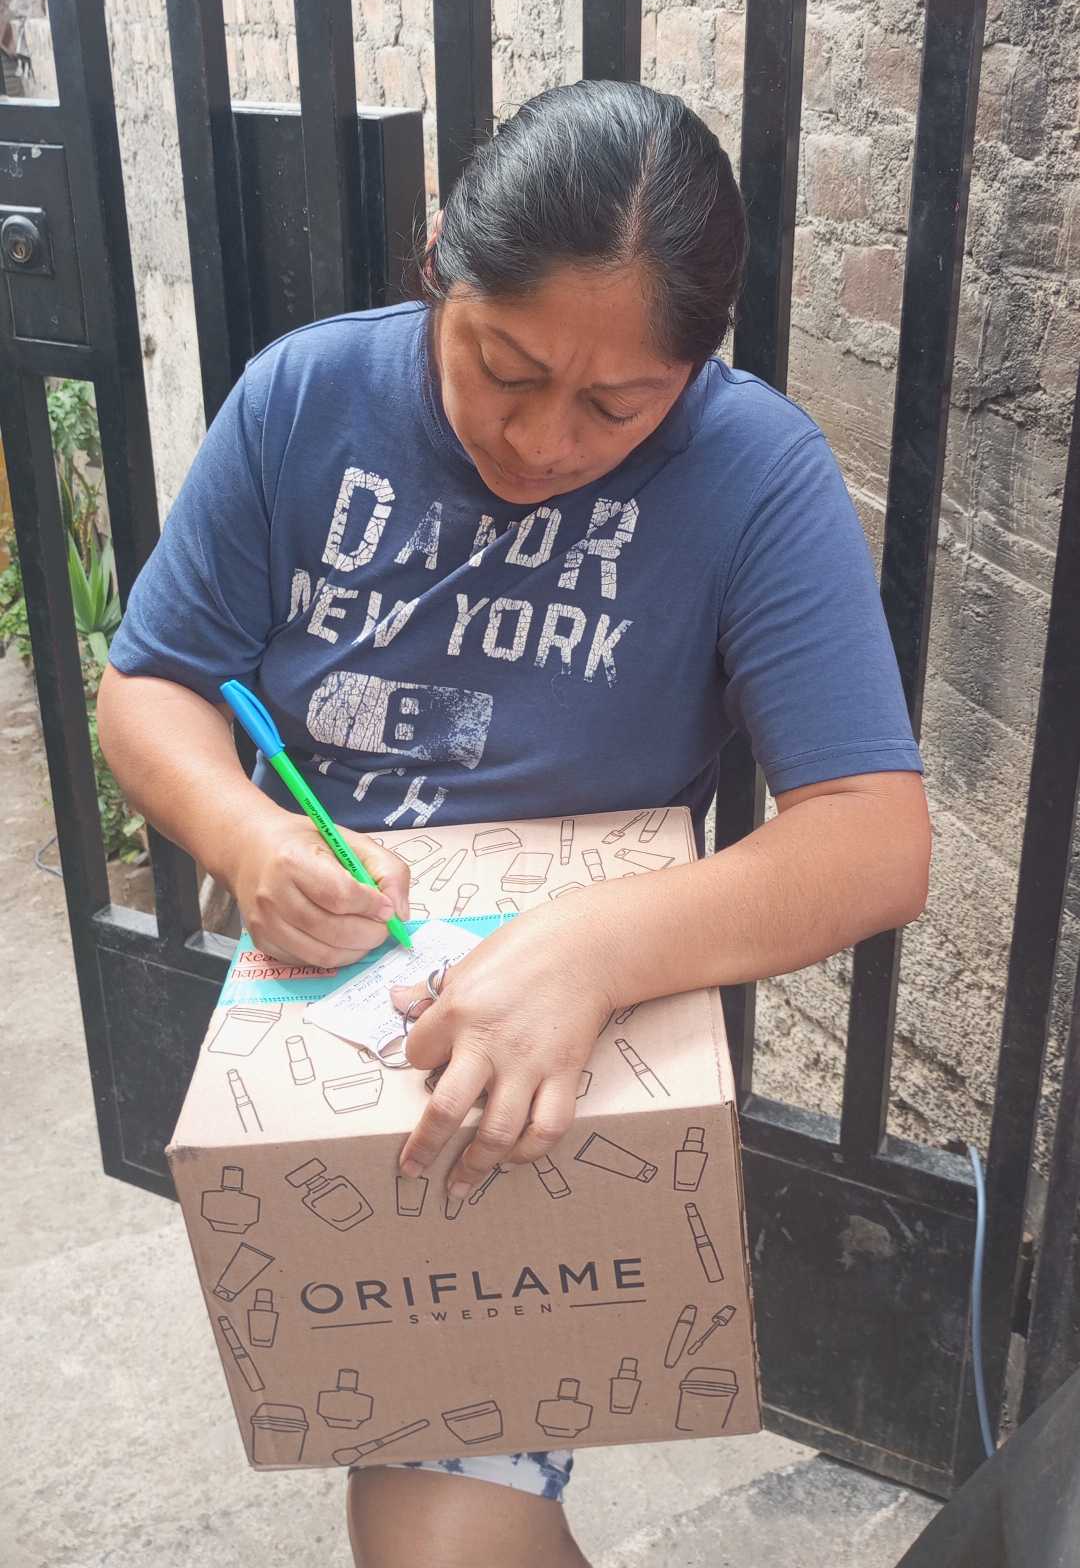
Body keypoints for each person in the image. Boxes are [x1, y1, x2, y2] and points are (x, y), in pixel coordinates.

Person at [98, 79, 931, 1568]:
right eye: (505, 367)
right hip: (334, 1027)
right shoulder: (303, 402)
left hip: (561, 1062)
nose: (544, 443)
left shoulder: (755, 475)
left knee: (436, 1525)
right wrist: (244, 836)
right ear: (442, 266)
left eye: (619, 405)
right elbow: (150, 683)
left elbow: (875, 834)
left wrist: (590, 950)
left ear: (698, 368)